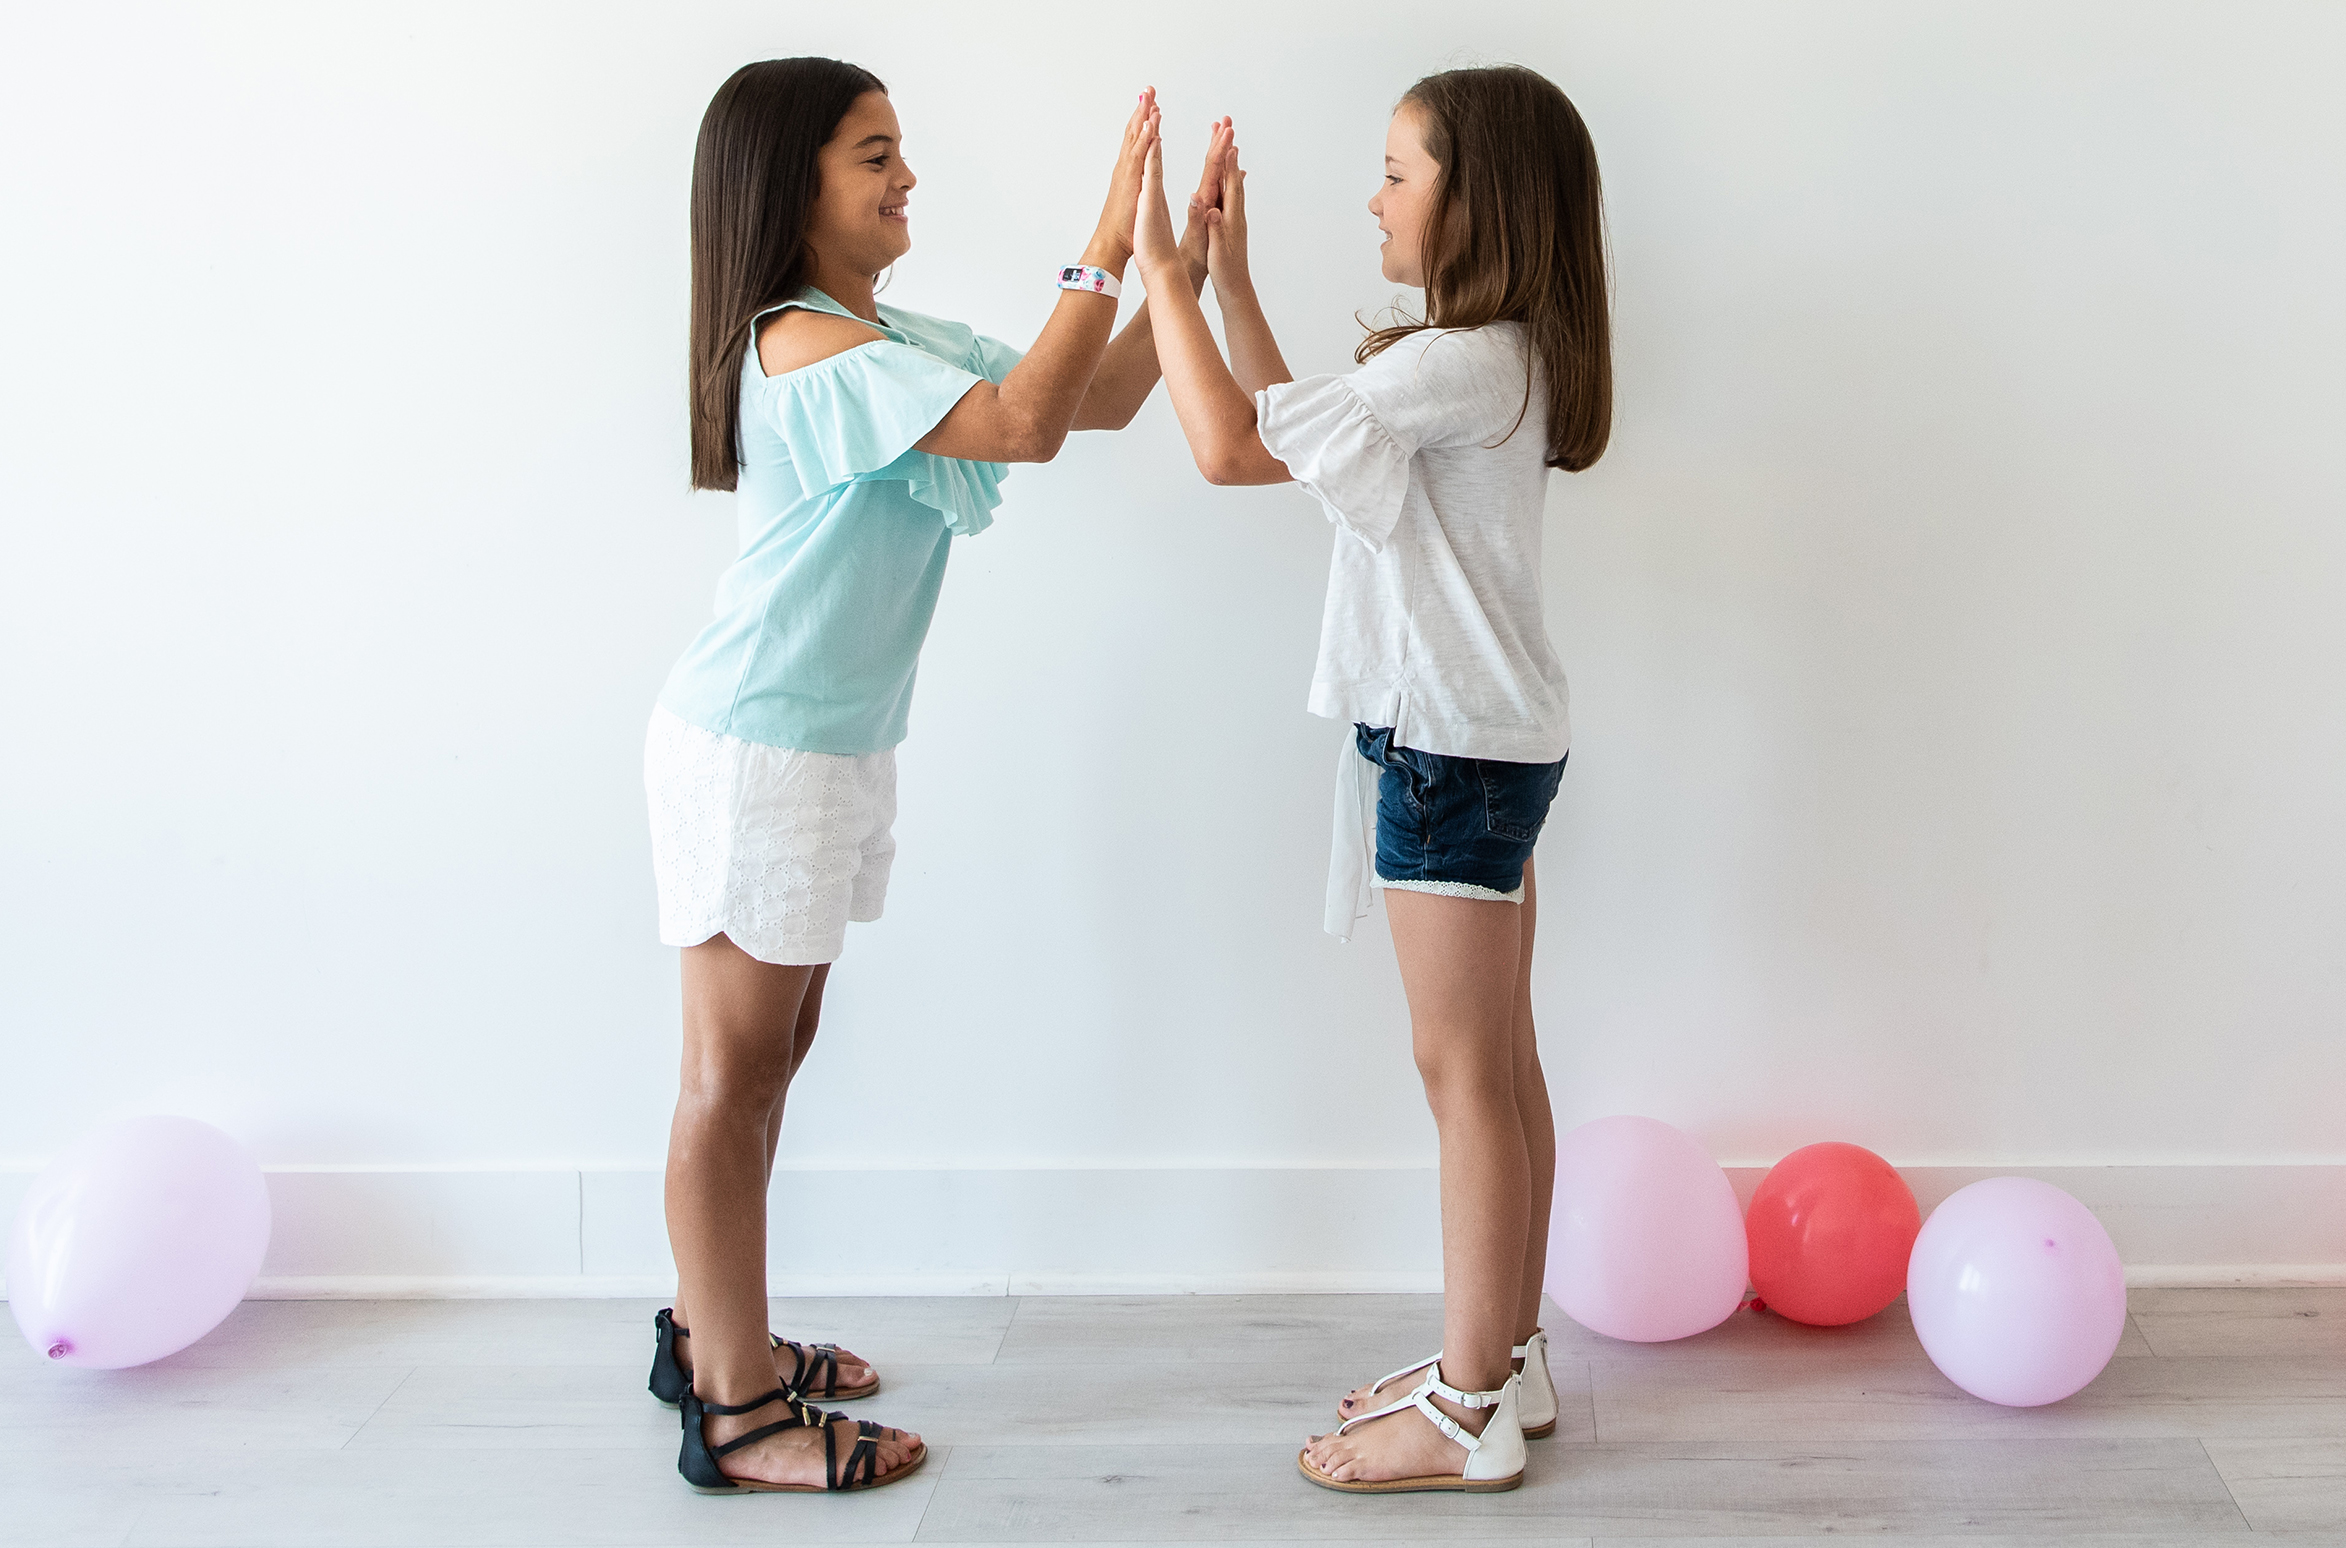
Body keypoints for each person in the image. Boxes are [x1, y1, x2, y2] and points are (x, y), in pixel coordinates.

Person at [647, 57, 1223, 1493]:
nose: (906, 177)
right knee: (729, 1082)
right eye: (874, 156)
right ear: (793, 190)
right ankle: (731, 1407)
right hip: (754, 748)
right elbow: (1023, 421)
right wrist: (1100, 233)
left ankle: (721, 1337)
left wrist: (1181, 266)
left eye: (898, 151)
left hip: (826, 744)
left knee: (770, 1066)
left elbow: (1083, 399)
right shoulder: (799, 349)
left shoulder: (884, 336)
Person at [1130, 65, 1613, 1493]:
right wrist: (1228, 281)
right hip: (1488, 744)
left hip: (1447, 755)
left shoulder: (1450, 365)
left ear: (1482, 200)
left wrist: (1154, 264)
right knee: (1499, 1063)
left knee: (1457, 1071)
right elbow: (1299, 422)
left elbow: (1227, 447)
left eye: (1397, 170)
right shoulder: (1479, 361)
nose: (1374, 196)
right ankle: (1505, 1360)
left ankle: (1467, 1410)